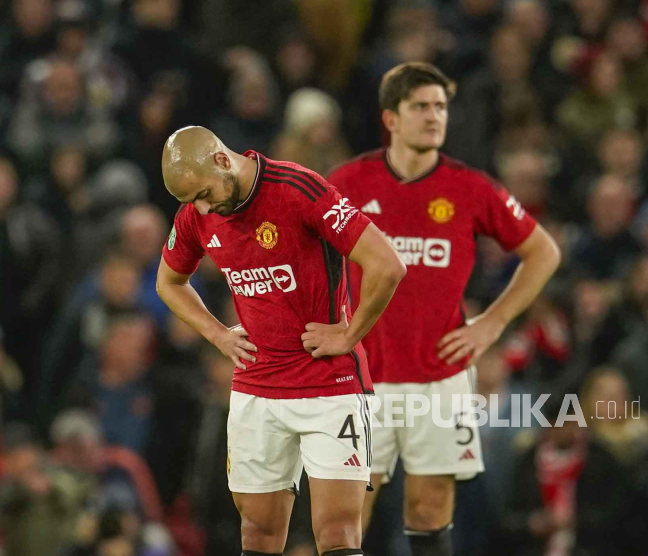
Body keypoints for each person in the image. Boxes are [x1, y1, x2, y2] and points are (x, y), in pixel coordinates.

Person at [328, 62, 561, 556]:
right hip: (359, 375)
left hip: (439, 375)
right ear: (390, 118)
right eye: (421, 107)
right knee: (347, 511)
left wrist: (493, 322)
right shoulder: (348, 182)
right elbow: (303, 252)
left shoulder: (471, 187)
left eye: (440, 106)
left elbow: (544, 252)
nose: (434, 116)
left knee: (431, 508)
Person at [156, 126, 406, 555]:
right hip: (257, 389)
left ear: (221, 160)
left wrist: (350, 333)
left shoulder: (297, 188)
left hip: (330, 386)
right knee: (257, 532)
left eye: (202, 193)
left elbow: (387, 264)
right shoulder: (196, 215)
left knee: (338, 532)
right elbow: (169, 282)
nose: (201, 206)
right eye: (190, 201)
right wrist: (218, 334)